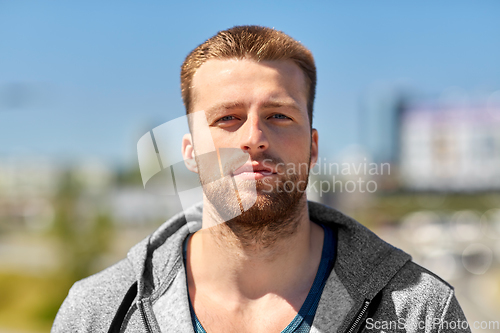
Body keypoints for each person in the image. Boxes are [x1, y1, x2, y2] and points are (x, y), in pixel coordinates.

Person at [52, 25, 470, 333]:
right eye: (227, 118)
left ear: (313, 146)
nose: (253, 138)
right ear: (190, 151)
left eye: (278, 116)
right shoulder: (97, 314)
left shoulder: (420, 313)